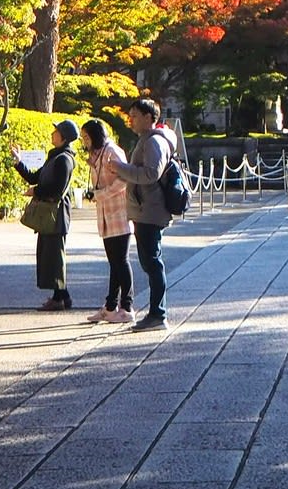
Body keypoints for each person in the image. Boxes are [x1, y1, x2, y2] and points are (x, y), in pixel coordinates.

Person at [116, 98, 180, 331]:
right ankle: (156, 312)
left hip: (150, 211)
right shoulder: (147, 140)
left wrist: (120, 168)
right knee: (150, 261)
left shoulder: (154, 142)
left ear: (148, 117)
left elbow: (151, 173)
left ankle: (158, 314)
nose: (130, 119)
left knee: (152, 262)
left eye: (134, 115)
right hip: (144, 209)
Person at [12, 119, 79, 310]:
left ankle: (59, 299)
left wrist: (36, 191)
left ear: (63, 137)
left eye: (56, 131)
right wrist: (19, 162)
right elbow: (35, 177)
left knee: (55, 256)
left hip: (56, 214)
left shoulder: (64, 159)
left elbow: (56, 189)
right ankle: (62, 296)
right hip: (51, 214)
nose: (52, 133)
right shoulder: (55, 156)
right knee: (50, 255)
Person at [81, 119, 134, 324]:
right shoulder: (95, 155)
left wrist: (102, 194)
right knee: (114, 262)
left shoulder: (112, 151)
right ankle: (110, 306)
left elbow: (126, 177)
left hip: (118, 212)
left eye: (87, 137)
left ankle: (127, 307)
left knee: (121, 260)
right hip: (105, 215)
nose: (85, 141)